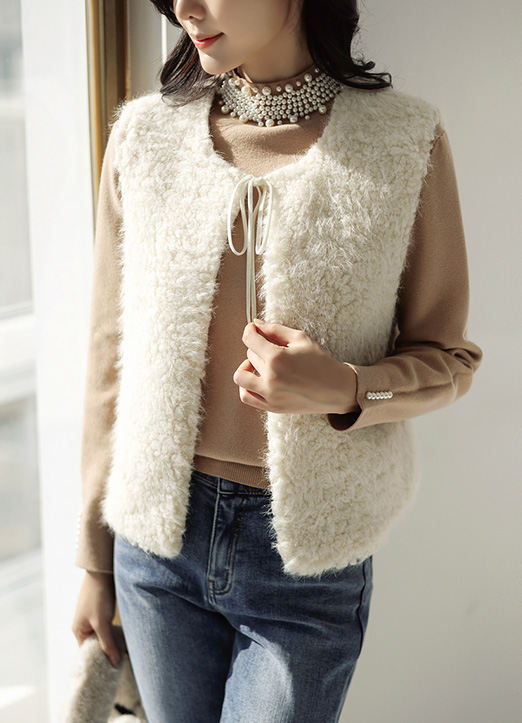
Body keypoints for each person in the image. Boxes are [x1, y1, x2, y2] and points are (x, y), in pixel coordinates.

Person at [71, 0, 484, 721]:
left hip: (306, 567)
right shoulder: (143, 137)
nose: (185, 7)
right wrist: (94, 563)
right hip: (155, 547)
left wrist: (350, 388)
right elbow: (111, 356)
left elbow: (449, 358)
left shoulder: (403, 141)